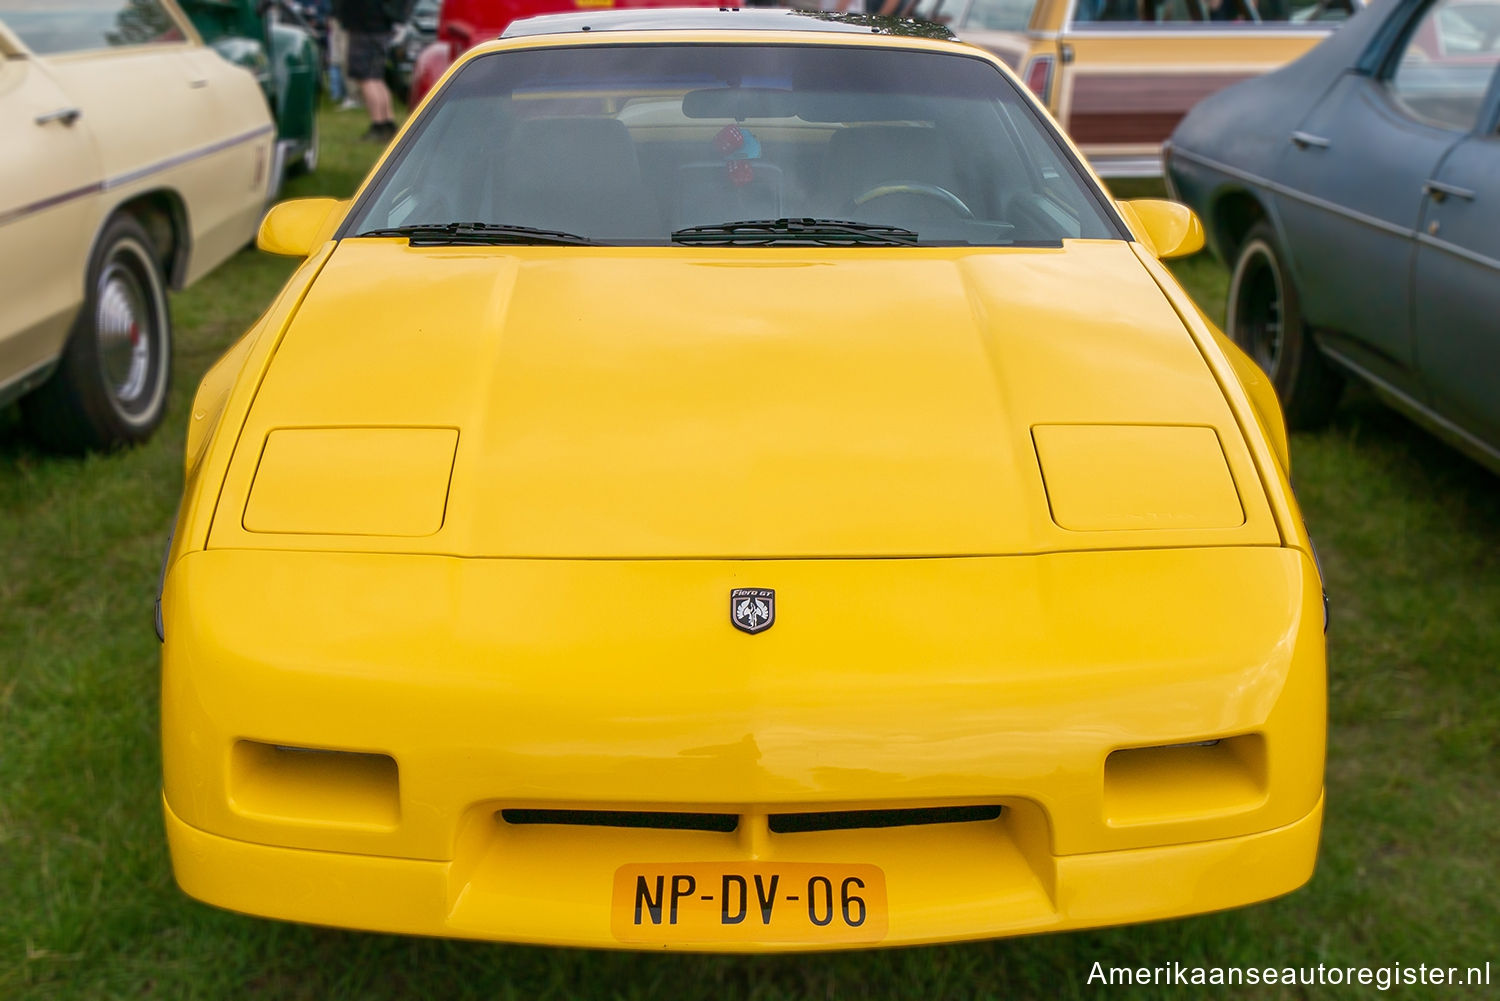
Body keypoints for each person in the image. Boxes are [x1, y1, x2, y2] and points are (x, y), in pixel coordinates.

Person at [334, 0, 397, 141]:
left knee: (366, 78)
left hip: (364, 28)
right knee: (377, 78)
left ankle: (378, 125)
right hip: (380, 27)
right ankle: (388, 122)